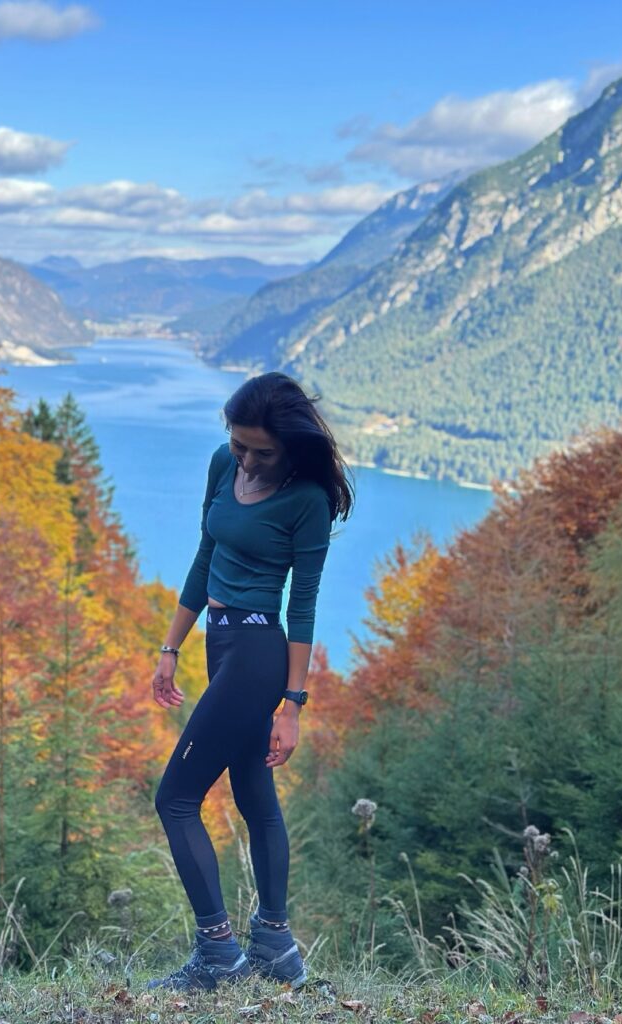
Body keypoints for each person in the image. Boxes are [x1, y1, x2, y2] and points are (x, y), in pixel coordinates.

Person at [147, 371, 354, 993]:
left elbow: (305, 607)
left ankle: (218, 953)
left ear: (291, 445)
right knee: (252, 792)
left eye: (262, 451)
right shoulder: (222, 463)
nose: (248, 459)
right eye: (240, 445)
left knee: (175, 799)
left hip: (259, 653)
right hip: (218, 639)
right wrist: (170, 646)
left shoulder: (308, 500)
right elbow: (205, 556)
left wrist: (292, 703)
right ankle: (274, 943)